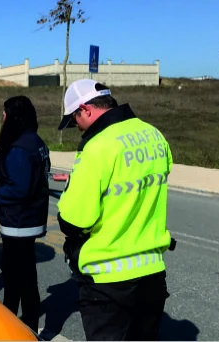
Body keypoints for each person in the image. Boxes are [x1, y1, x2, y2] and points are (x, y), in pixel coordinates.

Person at [56, 79, 176, 341]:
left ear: (86, 109)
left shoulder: (97, 147)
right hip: (152, 272)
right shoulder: (153, 134)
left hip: (107, 280)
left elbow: (74, 221)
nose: (77, 127)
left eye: (75, 119)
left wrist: (74, 187)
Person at [0, 95, 50, 332]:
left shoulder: (20, 147)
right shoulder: (35, 141)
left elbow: (18, 188)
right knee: (25, 276)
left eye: (4, 113)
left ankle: (15, 328)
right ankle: (24, 324)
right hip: (30, 218)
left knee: (15, 279)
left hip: (18, 221)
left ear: (13, 115)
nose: (2, 117)